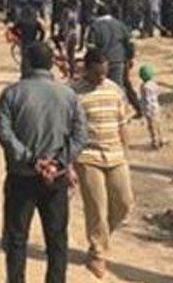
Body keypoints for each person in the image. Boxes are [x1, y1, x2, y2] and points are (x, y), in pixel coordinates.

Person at [0, 42, 86, 283]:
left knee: (17, 239)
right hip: (55, 180)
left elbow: (4, 134)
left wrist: (31, 159)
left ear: (27, 62)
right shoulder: (68, 95)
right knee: (56, 240)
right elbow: (80, 136)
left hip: (21, 177)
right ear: (51, 63)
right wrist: (58, 163)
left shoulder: (11, 93)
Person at [71, 51, 135, 279]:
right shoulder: (74, 93)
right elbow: (69, 130)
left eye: (104, 73)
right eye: (97, 74)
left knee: (125, 202)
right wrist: (70, 163)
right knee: (97, 207)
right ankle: (97, 253)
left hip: (115, 155)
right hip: (88, 157)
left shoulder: (115, 90)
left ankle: (101, 235)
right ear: (86, 70)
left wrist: (126, 153)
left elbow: (122, 124)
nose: (101, 78)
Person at [87, 5, 141, 117]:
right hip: (119, 60)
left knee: (101, 89)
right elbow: (130, 42)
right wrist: (130, 57)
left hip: (101, 63)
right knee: (118, 88)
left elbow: (91, 47)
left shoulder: (95, 26)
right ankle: (122, 113)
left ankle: (106, 113)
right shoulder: (119, 24)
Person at [139, 64, 166, 149]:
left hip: (149, 109)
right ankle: (161, 139)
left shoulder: (143, 86)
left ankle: (155, 141)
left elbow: (145, 99)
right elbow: (158, 92)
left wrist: (144, 111)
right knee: (158, 125)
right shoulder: (154, 84)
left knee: (151, 126)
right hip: (156, 107)